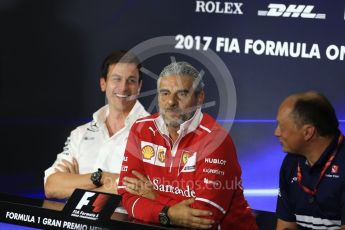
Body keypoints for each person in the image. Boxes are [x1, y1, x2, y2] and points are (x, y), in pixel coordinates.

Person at [117, 61, 257, 229]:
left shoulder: (215, 140)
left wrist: (154, 196)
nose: (171, 102)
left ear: (200, 97)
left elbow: (204, 218)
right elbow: (127, 195)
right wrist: (167, 213)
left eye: (181, 94)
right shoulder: (141, 129)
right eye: (165, 93)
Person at [44, 50, 149, 199]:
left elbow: (144, 191)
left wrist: (77, 184)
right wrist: (99, 177)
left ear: (139, 86)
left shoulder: (154, 133)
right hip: (76, 222)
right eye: (116, 79)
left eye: (131, 80)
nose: (123, 87)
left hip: (124, 222)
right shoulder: (80, 133)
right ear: (103, 84)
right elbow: (51, 186)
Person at [275, 91, 345, 230]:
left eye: (282, 127)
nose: (276, 133)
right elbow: (286, 226)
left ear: (308, 132)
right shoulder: (290, 163)